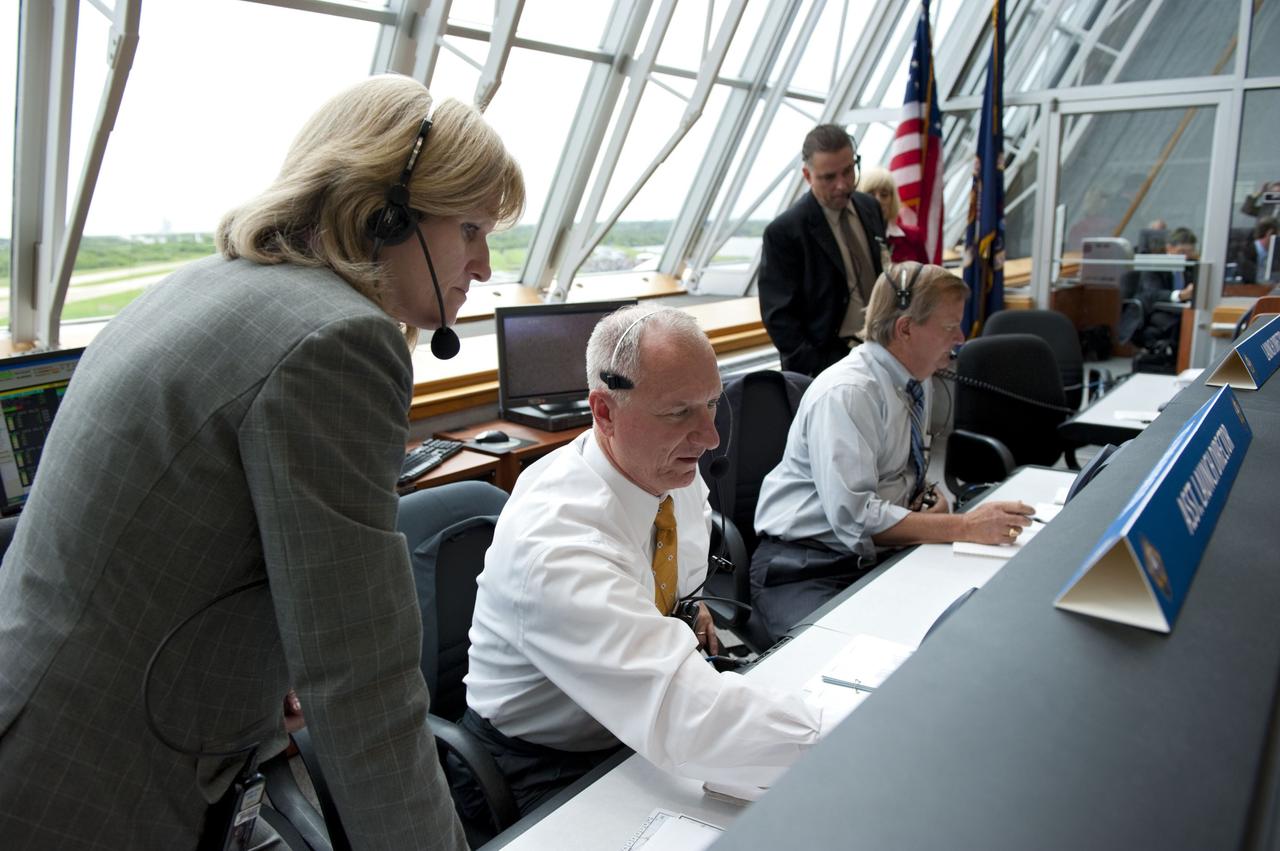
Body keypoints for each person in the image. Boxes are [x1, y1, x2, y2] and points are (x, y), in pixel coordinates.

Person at [0, 75, 524, 849]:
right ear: (386, 212)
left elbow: (190, 551)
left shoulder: (205, 284)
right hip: (97, 783)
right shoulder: (337, 341)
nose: (481, 266)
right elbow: (362, 680)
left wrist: (258, 666)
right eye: (472, 228)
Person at [460, 305, 844, 817]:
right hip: (542, 764)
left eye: (711, 405)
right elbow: (683, 715)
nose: (710, 438)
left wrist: (685, 611)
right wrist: (850, 732)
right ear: (605, 412)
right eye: (679, 412)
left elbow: (668, 579)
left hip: (632, 724)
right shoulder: (556, 541)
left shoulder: (661, 471)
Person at [751, 263, 1035, 640]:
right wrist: (964, 527)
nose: (961, 338)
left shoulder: (915, 378)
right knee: (848, 660)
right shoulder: (850, 393)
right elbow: (856, 518)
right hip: (806, 565)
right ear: (905, 329)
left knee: (965, 625)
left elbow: (900, 472)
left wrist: (928, 503)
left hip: (872, 553)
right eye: (950, 327)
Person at [758, 124, 886, 377]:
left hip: (880, 348)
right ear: (807, 175)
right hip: (824, 363)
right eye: (829, 177)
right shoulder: (785, 231)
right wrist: (818, 369)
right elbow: (779, 318)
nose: (842, 185)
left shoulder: (870, 207)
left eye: (848, 171)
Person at [858, 166, 928, 265]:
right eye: (870, 194)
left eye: (884, 194)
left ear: (892, 199)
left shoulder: (913, 237)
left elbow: (929, 278)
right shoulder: (853, 239)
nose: (878, 201)